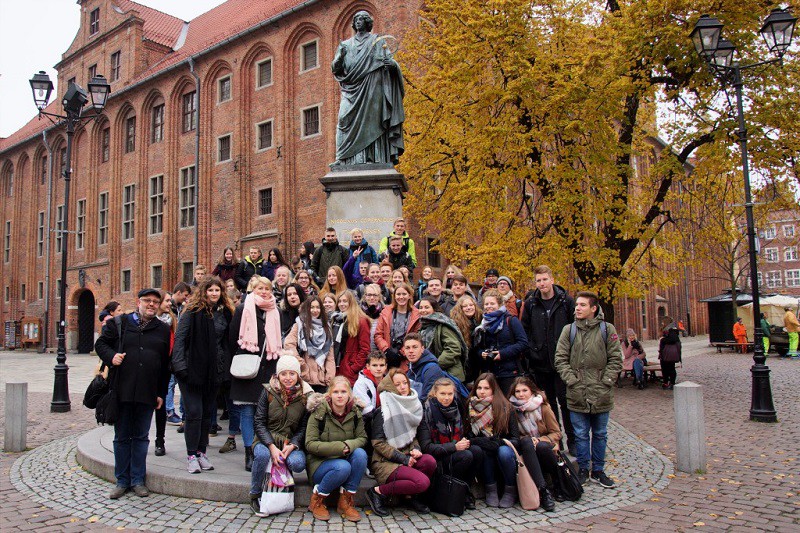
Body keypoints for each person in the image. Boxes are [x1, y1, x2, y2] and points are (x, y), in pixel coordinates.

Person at [95, 288, 171, 499]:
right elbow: (100, 344)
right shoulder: (120, 323)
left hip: (147, 392)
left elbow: (165, 366)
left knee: (141, 437)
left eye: (156, 302)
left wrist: (160, 393)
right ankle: (121, 480)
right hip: (122, 389)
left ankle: (138, 480)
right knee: (121, 436)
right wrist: (112, 357)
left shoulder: (163, 329)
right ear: (138, 302)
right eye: (147, 301)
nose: (151, 305)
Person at [554, 291, 622, 489]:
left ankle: (598, 470)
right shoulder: (569, 330)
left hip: (601, 391)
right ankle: (583, 468)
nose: (577, 308)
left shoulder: (607, 330)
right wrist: (571, 380)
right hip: (576, 391)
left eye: (582, 305)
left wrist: (606, 381)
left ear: (593, 308)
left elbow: (616, 358)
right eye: (577, 305)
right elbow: (560, 358)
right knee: (581, 433)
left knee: (600, 433)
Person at [171, 277, 234, 474]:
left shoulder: (224, 313)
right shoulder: (192, 311)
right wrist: (180, 366)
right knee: (194, 413)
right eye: (211, 290)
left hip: (213, 370)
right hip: (191, 369)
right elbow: (180, 339)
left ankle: (201, 452)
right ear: (204, 292)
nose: (214, 293)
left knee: (207, 413)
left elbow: (225, 341)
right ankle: (191, 455)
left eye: (217, 290)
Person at [331, 10, 404, 166]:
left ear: (367, 22)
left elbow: (390, 61)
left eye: (362, 18)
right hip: (352, 89)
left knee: (374, 123)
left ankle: (375, 157)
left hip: (373, 86)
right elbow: (336, 69)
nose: (358, 21)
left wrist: (392, 65)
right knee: (343, 119)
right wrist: (340, 57)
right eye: (356, 19)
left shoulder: (377, 41)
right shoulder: (345, 45)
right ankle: (342, 158)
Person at [229, 276, 284, 472]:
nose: (263, 291)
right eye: (260, 288)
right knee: (246, 412)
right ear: (253, 289)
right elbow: (232, 338)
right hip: (247, 368)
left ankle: (260, 448)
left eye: (267, 288)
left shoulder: (275, 311)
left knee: (263, 413)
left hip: (268, 368)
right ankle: (248, 452)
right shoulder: (243, 309)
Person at [249, 355, 314, 516]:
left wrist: (292, 445)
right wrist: (271, 446)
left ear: (298, 375)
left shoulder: (305, 396)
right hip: (266, 440)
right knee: (263, 456)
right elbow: (259, 422)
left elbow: (304, 427)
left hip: (289, 441)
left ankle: (281, 473)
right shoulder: (268, 392)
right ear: (278, 375)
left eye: (292, 374)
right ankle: (255, 494)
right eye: (284, 374)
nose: (288, 378)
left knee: (298, 463)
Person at [522, 265, 576, 453]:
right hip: (540, 362)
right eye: (538, 280)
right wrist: (532, 352)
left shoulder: (566, 301)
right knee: (549, 405)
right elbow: (525, 329)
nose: (542, 283)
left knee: (566, 402)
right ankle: (556, 438)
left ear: (552, 280)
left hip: (562, 361)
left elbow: (573, 329)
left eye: (545, 279)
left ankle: (573, 440)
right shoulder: (531, 304)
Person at [365, 370, 435, 516]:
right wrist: (403, 458)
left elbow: (412, 435)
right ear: (390, 387)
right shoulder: (383, 411)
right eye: (397, 384)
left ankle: (409, 496)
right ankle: (377, 492)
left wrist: (415, 448)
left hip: (407, 455)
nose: (403, 387)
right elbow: (377, 443)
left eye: (405, 383)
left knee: (429, 461)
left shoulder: (412, 406)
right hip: (386, 462)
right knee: (422, 482)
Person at [305, 376, 368, 522]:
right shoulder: (319, 412)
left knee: (360, 454)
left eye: (343, 392)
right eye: (336, 392)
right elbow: (310, 444)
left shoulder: (355, 412)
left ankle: (345, 500)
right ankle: (318, 499)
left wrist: (349, 446)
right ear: (329, 394)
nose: (340, 396)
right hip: (320, 465)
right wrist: (339, 448)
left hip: (344, 459)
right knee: (343, 467)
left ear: (349, 394)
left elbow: (362, 438)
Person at [418, 378, 481, 509]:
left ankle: (464, 490)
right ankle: (454, 491)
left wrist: (462, 442)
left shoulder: (457, 408)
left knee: (477, 452)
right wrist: (454, 446)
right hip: (437, 456)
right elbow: (427, 447)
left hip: (453, 451)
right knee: (466, 456)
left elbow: (461, 433)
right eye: (442, 394)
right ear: (435, 393)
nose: (446, 398)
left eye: (450, 394)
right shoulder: (426, 412)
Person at [508, 376, 560, 512]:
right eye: (517, 391)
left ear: (532, 391)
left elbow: (556, 433)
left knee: (541, 446)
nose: (521, 394)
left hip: (545, 450)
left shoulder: (543, 407)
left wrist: (540, 440)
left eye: (524, 390)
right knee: (526, 441)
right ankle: (543, 490)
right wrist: (529, 440)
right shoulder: (511, 410)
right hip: (526, 450)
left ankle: (552, 483)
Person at [467, 373, 519, 508]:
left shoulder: (506, 407)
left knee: (504, 452)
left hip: (503, 445)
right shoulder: (470, 405)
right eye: (479, 388)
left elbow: (515, 438)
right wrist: (483, 442)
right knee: (484, 450)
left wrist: (497, 443)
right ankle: (491, 490)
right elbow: (468, 435)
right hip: (483, 448)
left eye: (486, 388)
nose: (482, 392)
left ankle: (510, 490)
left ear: (493, 389)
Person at [472, 290, 529, 394]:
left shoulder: (511, 320)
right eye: (486, 304)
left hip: (510, 372)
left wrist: (502, 354)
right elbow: (477, 348)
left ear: (500, 304)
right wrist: (482, 354)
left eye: (492, 303)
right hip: (490, 373)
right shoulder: (482, 324)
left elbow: (523, 343)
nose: (489, 306)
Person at [285, 296, 336, 393]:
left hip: (322, 381)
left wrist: (329, 379)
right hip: (304, 379)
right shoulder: (299, 324)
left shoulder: (327, 328)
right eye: (312, 307)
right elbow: (289, 344)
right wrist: (302, 366)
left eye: (318, 307)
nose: (315, 310)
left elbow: (330, 357)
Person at [417, 296, 467, 382]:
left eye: (427, 307)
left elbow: (453, 348)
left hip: (449, 375)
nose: (423, 310)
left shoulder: (443, 325)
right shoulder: (423, 326)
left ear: (434, 309)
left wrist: (435, 365)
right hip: (433, 373)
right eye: (421, 307)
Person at [405, 333, 468, 400]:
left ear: (422, 349)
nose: (411, 351)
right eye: (407, 348)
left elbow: (428, 399)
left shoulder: (432, 369)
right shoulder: (411, 368)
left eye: (415, 347)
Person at [374, 283, 420, 369]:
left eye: (404, 294)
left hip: (406, 359)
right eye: (398, 294)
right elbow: (378, 334)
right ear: (394, 296)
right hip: (387, 357)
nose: (401, 297)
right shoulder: (386, 312)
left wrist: (402, 353)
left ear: (409, 296)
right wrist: (386, 350)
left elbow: (416, 337)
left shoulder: (416, 315)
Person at [153, 292, 176, 456]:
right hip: (148, 368)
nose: (170, 303)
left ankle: (159, 440)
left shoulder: (172, 320)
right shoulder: (148, 320)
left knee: (160, 407)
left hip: (164, 368)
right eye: (167, 300)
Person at [335, 291, 371, 386]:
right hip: (338, 367)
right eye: (339, 301)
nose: (341, 304)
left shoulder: (361, 321)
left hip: (350, 368)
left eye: (345, 301)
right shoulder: (337, 319)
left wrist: (354, 368)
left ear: (351, 302)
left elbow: (365, 349)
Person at [352, 351, 387, 419]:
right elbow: (366, 410)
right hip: (366, 421)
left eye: (381, 365)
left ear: (386, 366)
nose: (378, 369)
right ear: (368, 366)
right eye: (374, 365)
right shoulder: (360, 383)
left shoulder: (389, 382)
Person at [360, 283, 385, 351]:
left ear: (379, 297)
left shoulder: (385, 313)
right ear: (365, 296)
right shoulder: (358, 313)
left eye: (375, 295)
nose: (372, 298)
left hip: (380, 354)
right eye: (369, 295)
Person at [658, 324, 681, 390]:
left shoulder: (672, 331)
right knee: (665, 369)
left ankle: (672, 383)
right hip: (664, 354)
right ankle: (666, 382)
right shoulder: (667, 331)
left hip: (669, 354)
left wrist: (663, 340)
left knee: (670, 368)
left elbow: (673, 339)